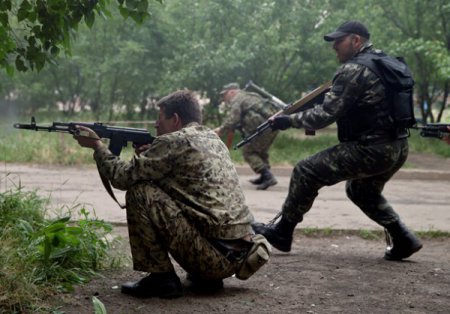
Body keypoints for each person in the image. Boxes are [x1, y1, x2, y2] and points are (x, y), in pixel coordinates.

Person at [73, 90, 270, 298]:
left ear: (175, 119)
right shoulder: (212, 138)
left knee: (140, 193)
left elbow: (121, 178)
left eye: (160, 119)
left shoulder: (173, 141)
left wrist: (97, 146)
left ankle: (161, 279)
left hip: (211, 259)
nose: (156, 125)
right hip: (239, 255)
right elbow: (185, 183)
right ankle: (206, 279)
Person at [252, 21, 423, 261]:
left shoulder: (353, 69)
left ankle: (282, 232)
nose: (334, 47)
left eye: (339, 41)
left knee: (306, 170)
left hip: (371, 149)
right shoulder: (385, 63)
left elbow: (324, 116)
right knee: (361, 190)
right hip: (398, 146)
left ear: (356, 40)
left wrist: (288, 121)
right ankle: (404, 239)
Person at [214, 83, 279, 190]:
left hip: (263, 127)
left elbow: (233, 119)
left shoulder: (237, 99)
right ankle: (264, 176)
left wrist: (221, 130)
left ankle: (268, 176)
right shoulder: (249, 95)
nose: (224, 98)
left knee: (248, 152)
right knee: (260, 151)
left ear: (231, 92)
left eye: (224, 95)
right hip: (272, 125)